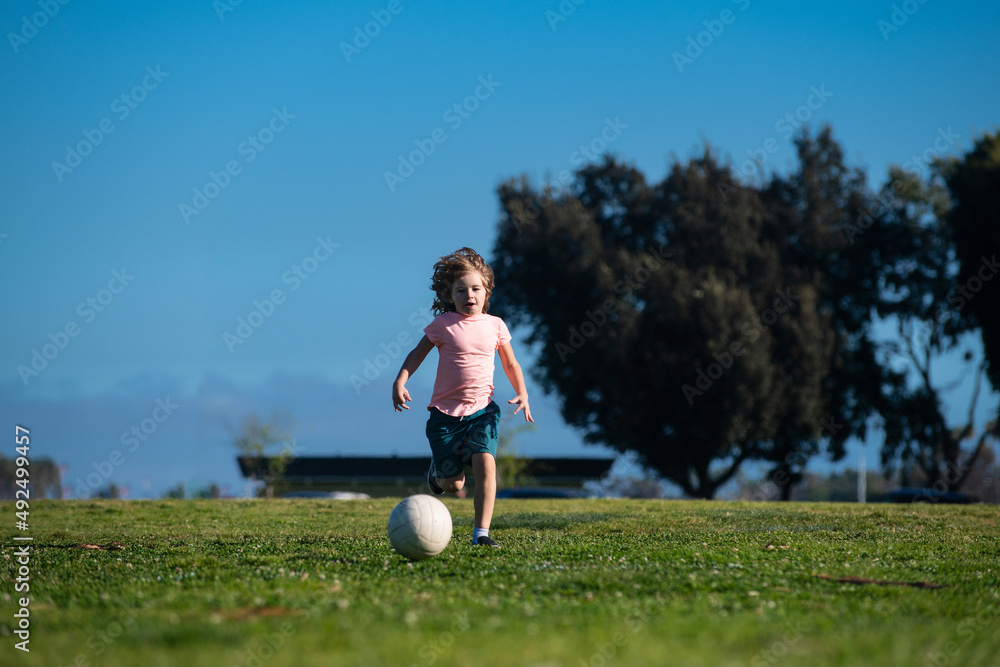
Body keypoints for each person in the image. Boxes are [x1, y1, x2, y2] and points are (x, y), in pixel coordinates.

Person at [392, 247, 533, 548]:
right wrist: (401, 379)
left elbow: (511, 363)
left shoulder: (496, 325)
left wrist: (522, 391)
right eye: (461, 290)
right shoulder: (442, 325)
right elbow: (416, 354)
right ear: (449, 295)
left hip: (483, 412)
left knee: (486, 462)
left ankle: (481, 534)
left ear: (486, 292)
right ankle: (436, 473)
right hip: (445, 416)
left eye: (475, 289)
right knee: (454, 484)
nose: (469, 295)